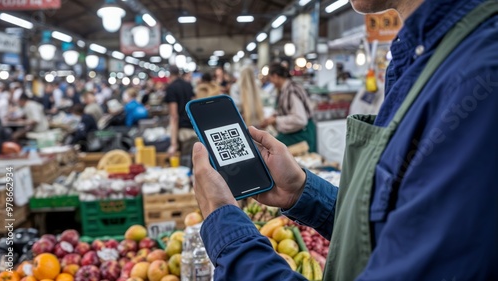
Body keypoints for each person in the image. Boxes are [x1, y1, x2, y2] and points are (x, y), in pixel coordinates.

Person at [191, 0, 498, 280]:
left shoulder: (479, 79)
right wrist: (303, 192)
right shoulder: (422, 58)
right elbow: (393, 229)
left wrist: (224, 224)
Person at [261, 63, 316, 152]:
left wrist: (276, 120)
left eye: (270, 78)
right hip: (298, 132)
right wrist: (273, 117)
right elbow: (285, 110)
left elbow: (300, 119)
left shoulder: (291, 91)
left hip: (303, 134)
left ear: (275, 76)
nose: (270, 82)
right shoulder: (284, 90)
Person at [164, 65, 197, 156]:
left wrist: (173, 144)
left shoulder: (171, 88)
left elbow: (174, 116)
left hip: (183, 132)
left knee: (185, 160)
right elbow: (194, 104)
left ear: (169, 75)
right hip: (193, 128)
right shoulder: (188, 85)